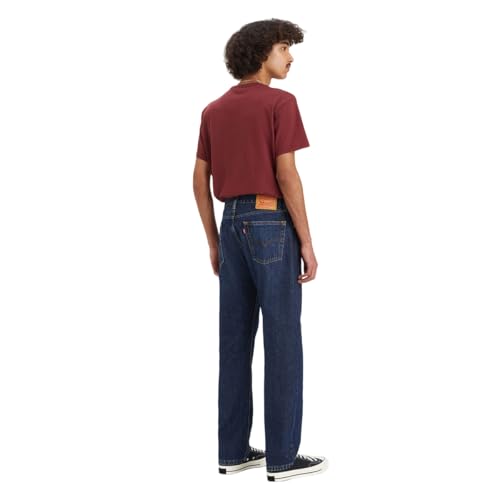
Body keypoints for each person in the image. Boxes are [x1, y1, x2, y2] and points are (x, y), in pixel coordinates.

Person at [192, 18, 328, 482]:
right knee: (283, 339)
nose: (290, 57)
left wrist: (214, 241)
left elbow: (199, 179)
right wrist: (306, 240)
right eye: (284, 47)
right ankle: (283, 457)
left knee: (234, 342)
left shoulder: (213, 110)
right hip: (271, 223)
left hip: (230, 224)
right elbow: (286, 172)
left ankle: (232, 451)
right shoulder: (280, 102)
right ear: (261, 53)